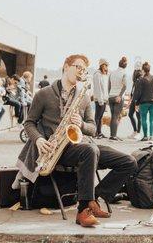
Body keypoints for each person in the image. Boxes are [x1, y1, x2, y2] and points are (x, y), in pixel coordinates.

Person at [16, 54, 138, 227]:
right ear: (66, 67)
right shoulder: (44, 94)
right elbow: (29, 123)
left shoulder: (84, 96)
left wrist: (81, 124)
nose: (81, 71)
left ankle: (93, 197)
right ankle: (83, 211)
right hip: (58, 150)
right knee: (90, 151)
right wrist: (39, 140)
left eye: (84, 69)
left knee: (130, 162)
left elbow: (93, 128)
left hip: (83, 145)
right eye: (77, 67)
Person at [132, 62, 153, 141]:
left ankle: (145, 136)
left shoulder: (140, 80)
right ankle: (151, 137)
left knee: (144, 119)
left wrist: (136, 103)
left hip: (144, 102)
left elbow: (137, 93)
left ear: (143, 70)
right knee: (152, 120)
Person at [107, 56, 128, 141]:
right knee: (116, 117)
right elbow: (125, 86)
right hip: (118, 97)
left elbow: (109, 86)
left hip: (111, 96)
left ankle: (112, 135)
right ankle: (114, 136)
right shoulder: (124, 73)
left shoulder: (112, 73)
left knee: (113, 117)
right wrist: (119, 95)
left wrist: (109, 95)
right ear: (125, 65)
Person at [92, 59, 110, 139]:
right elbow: (98, 88)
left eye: (107, 65)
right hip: (100, 99)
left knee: (100, 117)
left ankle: (99, 132)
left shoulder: (105, 74)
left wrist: (106, 99)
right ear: (102, 65)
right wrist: (100, 100)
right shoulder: (97, 75)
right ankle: (95, 133)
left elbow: (105, 88)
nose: (106, 67)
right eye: (105, 65)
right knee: (97, 117)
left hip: (104, 99)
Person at [127, 69, 142, 139]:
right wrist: (129, 101)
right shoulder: (135, 81)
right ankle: (135, 131)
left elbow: (139, 93)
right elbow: (133, 92)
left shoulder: (139, 81)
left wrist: (137, 104)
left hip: (138, 101)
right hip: (133, 100)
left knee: (139, 117)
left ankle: (138, 133)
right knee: (130, 114)